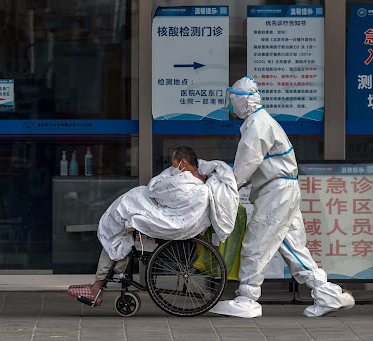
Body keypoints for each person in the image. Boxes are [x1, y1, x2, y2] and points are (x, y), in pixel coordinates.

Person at [210, 76, 355, 318]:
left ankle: (247, 298)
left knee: (256, 242)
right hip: (283, 190)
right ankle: (327, 293)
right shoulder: (260, 122)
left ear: (243, 100)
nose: (232, 105)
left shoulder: (258, 126)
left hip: (276, 192)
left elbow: (244, 166)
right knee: (293, 246)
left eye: (233, 99)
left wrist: (223, 185)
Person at [67, 146, 239, 305]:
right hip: (166, 215)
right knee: (120, 227)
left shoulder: (189, 185)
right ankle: (100, 283)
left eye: (174, 165)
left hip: (167, 221)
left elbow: (155, 189)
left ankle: (98, 286)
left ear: (183, 163)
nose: (172, 170)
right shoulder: (198, 183)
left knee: (118, 226)